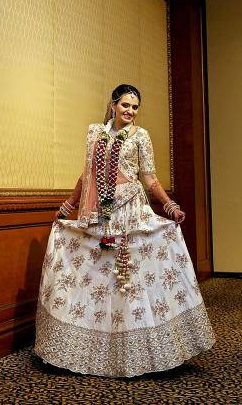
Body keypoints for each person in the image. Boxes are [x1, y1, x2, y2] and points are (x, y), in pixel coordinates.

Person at [35, 84, 215, 377]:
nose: (130, 111)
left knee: (132, 278)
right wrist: (68, 206)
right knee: (100, 275)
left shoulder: (140, 136)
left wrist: (169, 206)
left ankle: (142, 354)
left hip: (132, 211)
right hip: (102, 215)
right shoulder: (96, 133)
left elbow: (150, 179)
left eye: (135, 107)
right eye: (125, 105)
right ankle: (91, 352)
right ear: (113, 105)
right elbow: (87, 175)